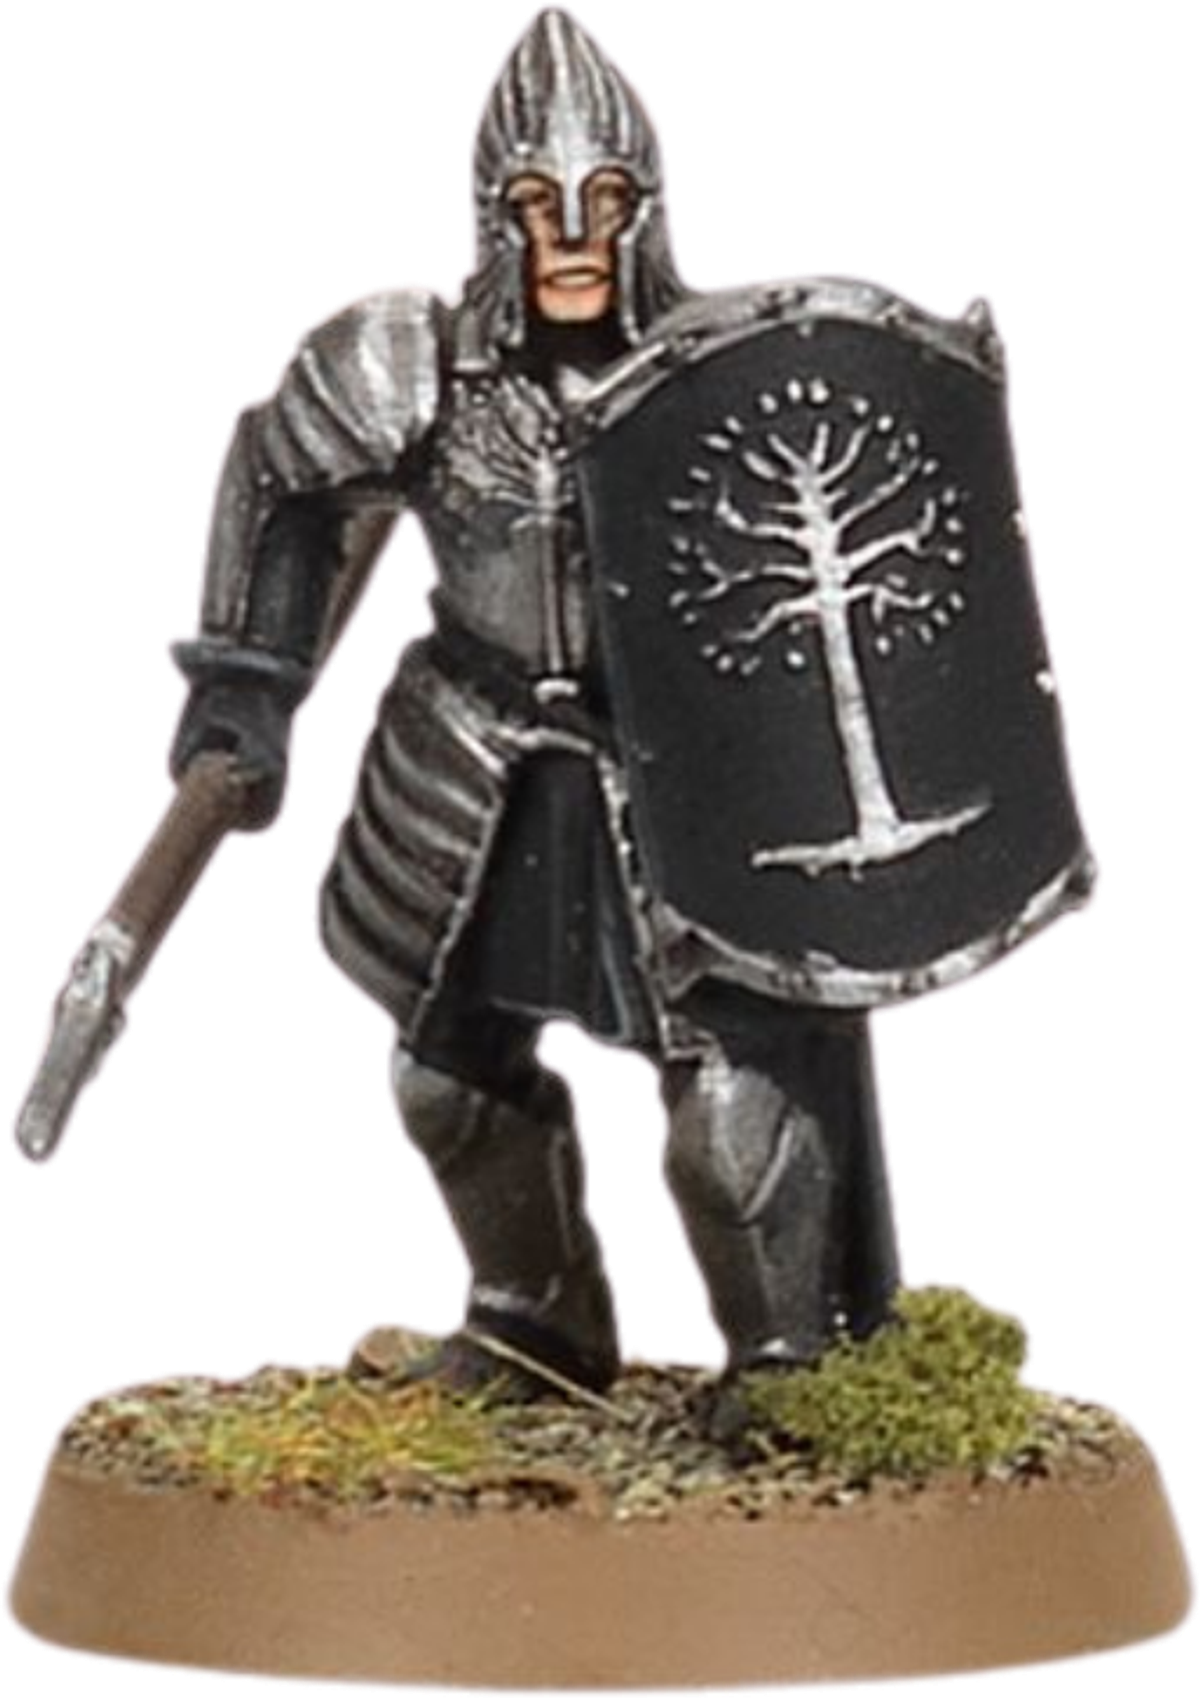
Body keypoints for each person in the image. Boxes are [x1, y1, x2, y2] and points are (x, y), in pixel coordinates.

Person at [165, 4, 904, 1400]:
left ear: (646, 213)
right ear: (491, 216)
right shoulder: (412, 366)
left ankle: (788, 1369)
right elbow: (284, 484)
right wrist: (247, 690)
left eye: (603, 203)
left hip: (677, 779)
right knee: (445, 1075)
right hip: (474, 754)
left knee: (729, 1115)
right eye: (535, 205)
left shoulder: (723, 375)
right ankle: (535, 1321)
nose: (570, 234)